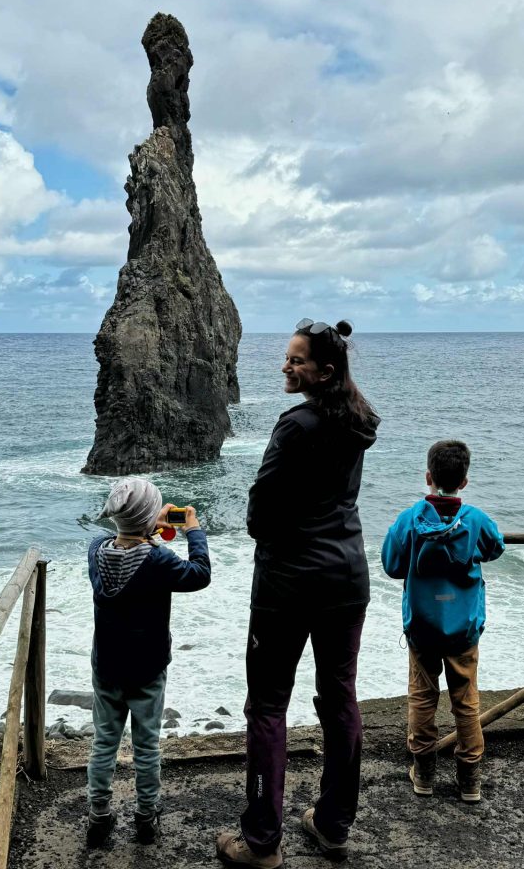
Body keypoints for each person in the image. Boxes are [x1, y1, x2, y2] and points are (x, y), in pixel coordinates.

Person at [216, 318, 379, 868]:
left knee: (267, 706)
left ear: (324, 370)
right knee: (339, 698)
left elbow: (260, 512)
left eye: (296, 360)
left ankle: (262, 841)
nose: (285, 366)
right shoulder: (358, 420)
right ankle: (332, 825)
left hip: (287, 586)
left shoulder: (295, 426)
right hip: (346, 578)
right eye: (286, 357)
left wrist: (279, 534)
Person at [86, 477, 210, 848]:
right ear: (149, 519)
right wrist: (194, 532)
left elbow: (127, 554)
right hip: (147, 668)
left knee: (104, 741)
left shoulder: (96, 550)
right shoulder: (159, 560)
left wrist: (147, 533)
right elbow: (199, 574)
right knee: (146, 745)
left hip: (107, 665)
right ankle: (145, 816)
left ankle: (99, 816)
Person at [381, 440, 504, 803]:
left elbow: (391, 564)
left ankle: (424, 774)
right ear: (464, 481)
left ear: (428, 476)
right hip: (463, 626)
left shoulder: (410, 519)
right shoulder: (475, 519)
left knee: (422, 697)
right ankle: (469, 780)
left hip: (422, 625)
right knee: (466, 701)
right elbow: (495, 547)